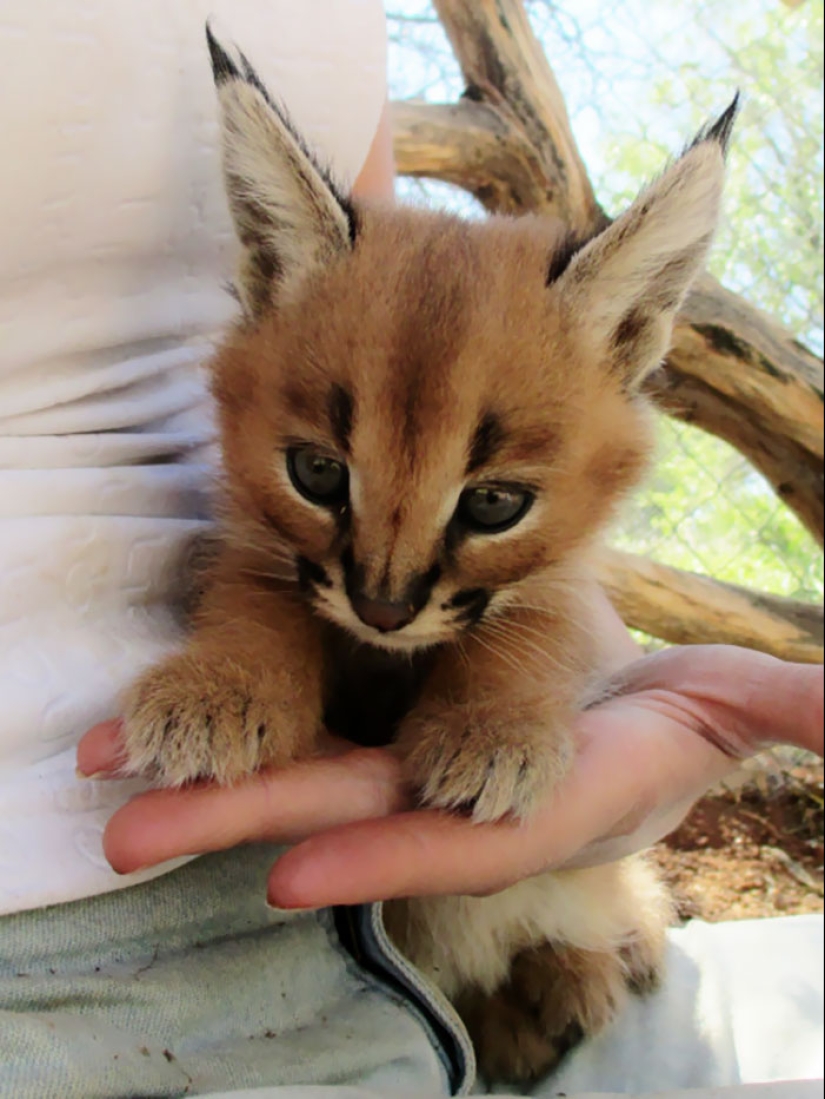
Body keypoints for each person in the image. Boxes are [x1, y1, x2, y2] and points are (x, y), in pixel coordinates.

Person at [1, 2, 821, 1097]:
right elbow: (274, 530)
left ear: (633, 334)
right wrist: (250, 663)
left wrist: (592, 709)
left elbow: (425, 343)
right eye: (326, 479)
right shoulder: (298, 351)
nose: (383, 591)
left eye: (488, 504)